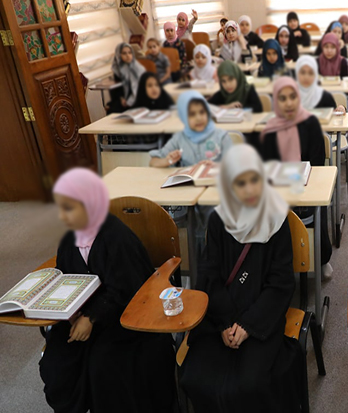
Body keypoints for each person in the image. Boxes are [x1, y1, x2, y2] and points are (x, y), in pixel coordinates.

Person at [40, 168, 176, 413]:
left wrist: (91, 318)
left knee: (104, 364)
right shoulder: (70, 238)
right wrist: (69, 312)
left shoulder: (116, 238)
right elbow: (67, 279)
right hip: (80, 316)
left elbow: (128, 289)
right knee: (56, 360)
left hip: (123, 319)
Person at [180, 144, 303, 413]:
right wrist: (225, 324)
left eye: (254, 181)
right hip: (221, 317)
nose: (249, 190)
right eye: (240, 183)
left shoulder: (276, 220)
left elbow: (280, 284)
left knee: (250, 384)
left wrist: (247, 326)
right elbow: (209, 276)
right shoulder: (218, 220)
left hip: (260, 319)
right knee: (195, 377)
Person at [259, 77, 333, 277]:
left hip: (307, 183)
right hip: (278, 186)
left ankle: (321, 257)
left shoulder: (311, 123)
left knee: (315, 205)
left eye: (292, 97)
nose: (288, 103)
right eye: (282, 98)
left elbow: (317, 164)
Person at [149, 90, 232, 167]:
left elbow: (234, 165)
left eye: (202, 112)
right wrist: (167, 161)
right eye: (192, 114)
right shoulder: (179, 139)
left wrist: (216, 166)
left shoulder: (221, 136)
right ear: (184, 117)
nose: (198, 118)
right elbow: (153, 162)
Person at [107, 43, 145, 113]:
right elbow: (116, 88)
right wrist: (121, 98)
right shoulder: (117, 70)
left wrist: (130, 100)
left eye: (130, 53)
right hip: (124, 98)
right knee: (112, 109)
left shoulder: (138, 68)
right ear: (119, 55)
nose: (128, 55)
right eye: (124, 53)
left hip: (138, 96)